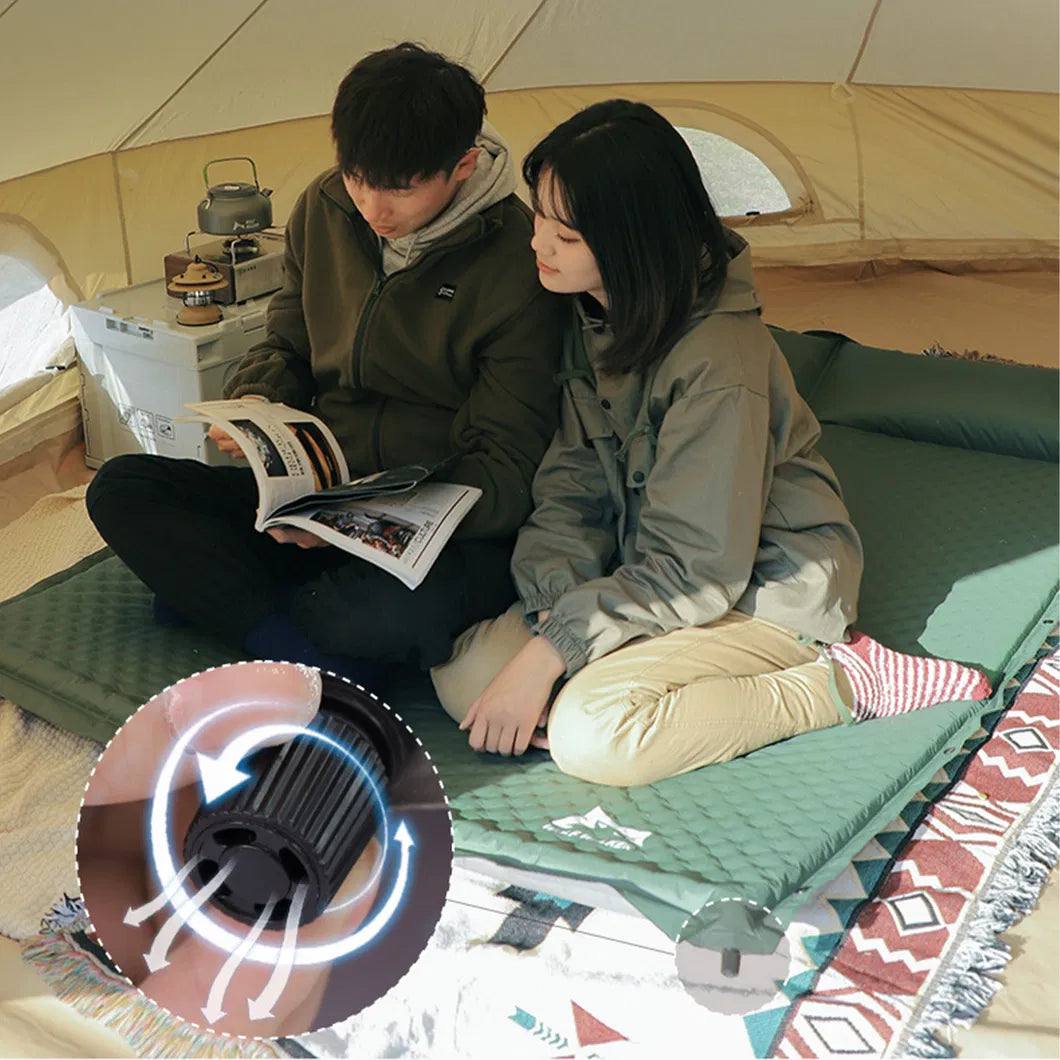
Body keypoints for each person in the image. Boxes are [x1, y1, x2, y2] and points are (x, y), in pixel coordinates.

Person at [430, 100, 991, 787]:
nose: (538, 243)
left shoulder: (720, 360)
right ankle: (603, 660)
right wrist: (555, 610)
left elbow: (701, 566)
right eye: (539, 217)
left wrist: (557, 651)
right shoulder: (595, 316)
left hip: (759, 586)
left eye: (566, 235)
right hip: (648, 573)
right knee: (469, 678)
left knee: (591, 734)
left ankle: (843, 682)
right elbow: (569, 487)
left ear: (633, 242)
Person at [86, 43, 566, 685]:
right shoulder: (323, 207)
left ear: (463, 166)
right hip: (316, 496)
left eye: (398, 189)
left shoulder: (518, 263)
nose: (372, 207)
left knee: (384, 615)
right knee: (122, 489)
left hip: (435, 522)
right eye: (357, 177)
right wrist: (256, 404)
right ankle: (292, 636)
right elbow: (286, 344)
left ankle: (239, 602)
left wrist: (360, 523)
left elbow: (507, 473)